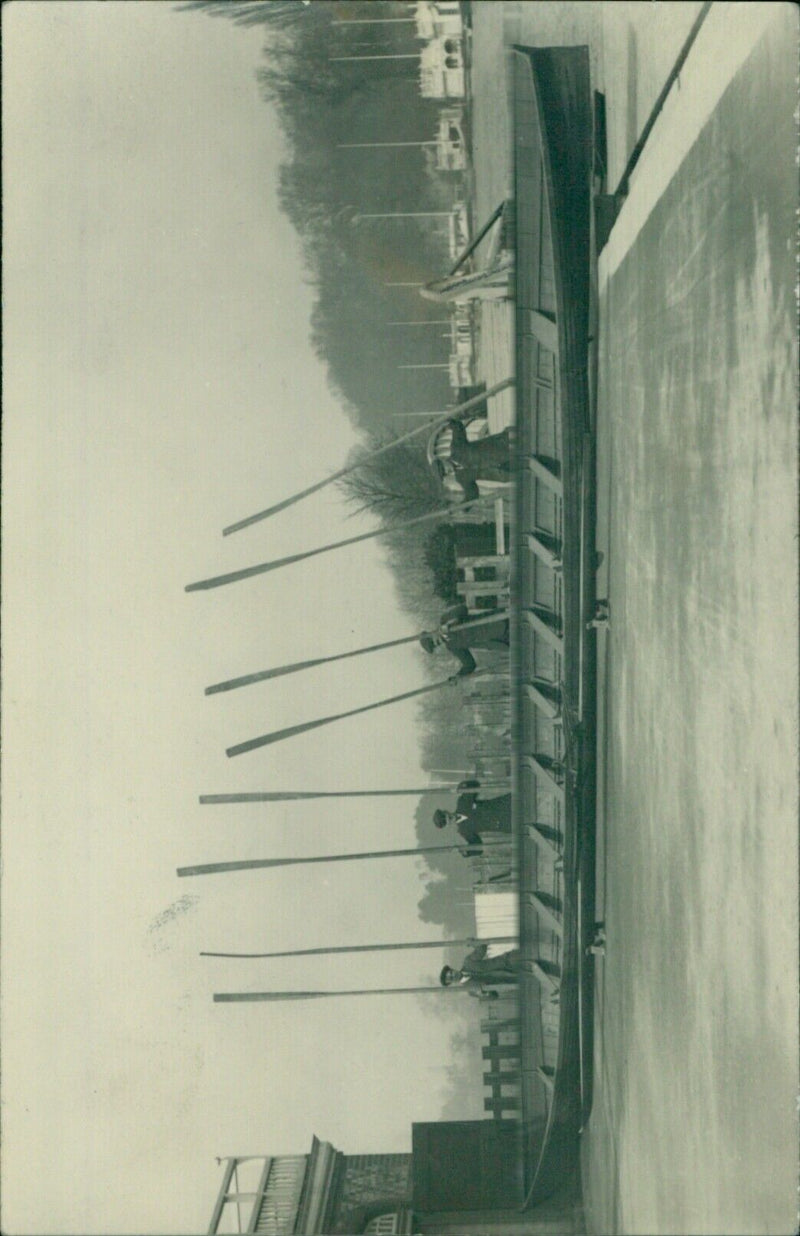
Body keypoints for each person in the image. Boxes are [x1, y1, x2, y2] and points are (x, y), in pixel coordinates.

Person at [419, 602, 510, 677]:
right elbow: (469, 665)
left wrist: (448, 624)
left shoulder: (444, 620)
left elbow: (462, 608)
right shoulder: (452, 646)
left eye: (433, 640)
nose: (437, 642)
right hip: (501, 642)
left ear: (432, 632)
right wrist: (458, 676)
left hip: (499, 622)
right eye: (435, 645)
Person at [444, 418, 513, 502]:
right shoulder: (461, 477)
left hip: (503, 448)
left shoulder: (456, 448)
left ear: (443, 461)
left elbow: (459, 428)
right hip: (506, 472)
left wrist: (451, 423)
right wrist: (464, 508)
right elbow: (472, 494)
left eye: (444, 468)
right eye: (445, 473)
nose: (447, 471)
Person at [433, 782, 512, 847]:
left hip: (507, 803)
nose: (451, 818)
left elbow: (475, 785)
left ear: (447, 811)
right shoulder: (464, 831)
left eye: (448, 816)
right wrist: (466, 852)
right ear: (448, 825)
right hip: (506, 824)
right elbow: (478, 848)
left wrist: (462, 786)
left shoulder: (462, 803)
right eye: (448, 821)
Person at [440, 943, 522, 996]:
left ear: (453, 969)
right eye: (451, 978)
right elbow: (494, 996)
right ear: (452, 983)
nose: (453, 975)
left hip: (508, 962)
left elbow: (482, 949)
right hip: (510, 982)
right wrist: (485, 994)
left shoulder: (468, 962)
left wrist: (472, 943)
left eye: (451, 972)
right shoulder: (471, 990)